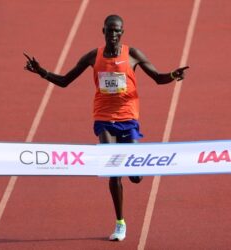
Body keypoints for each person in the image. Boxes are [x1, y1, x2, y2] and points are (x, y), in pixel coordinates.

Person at [24, 14, 189, 241]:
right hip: (103, 118)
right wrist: (42, 72)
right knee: (114, 169)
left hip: (128, 118)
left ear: (122, 33)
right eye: (109, 31)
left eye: (117, 31)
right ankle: (120, 222)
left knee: (136, 175)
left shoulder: (132, 55)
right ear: (103, 31)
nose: (113, 35)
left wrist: (173, 75)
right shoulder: (93, 56)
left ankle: (135, 167)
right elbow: (64, 81)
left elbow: (158, 78)